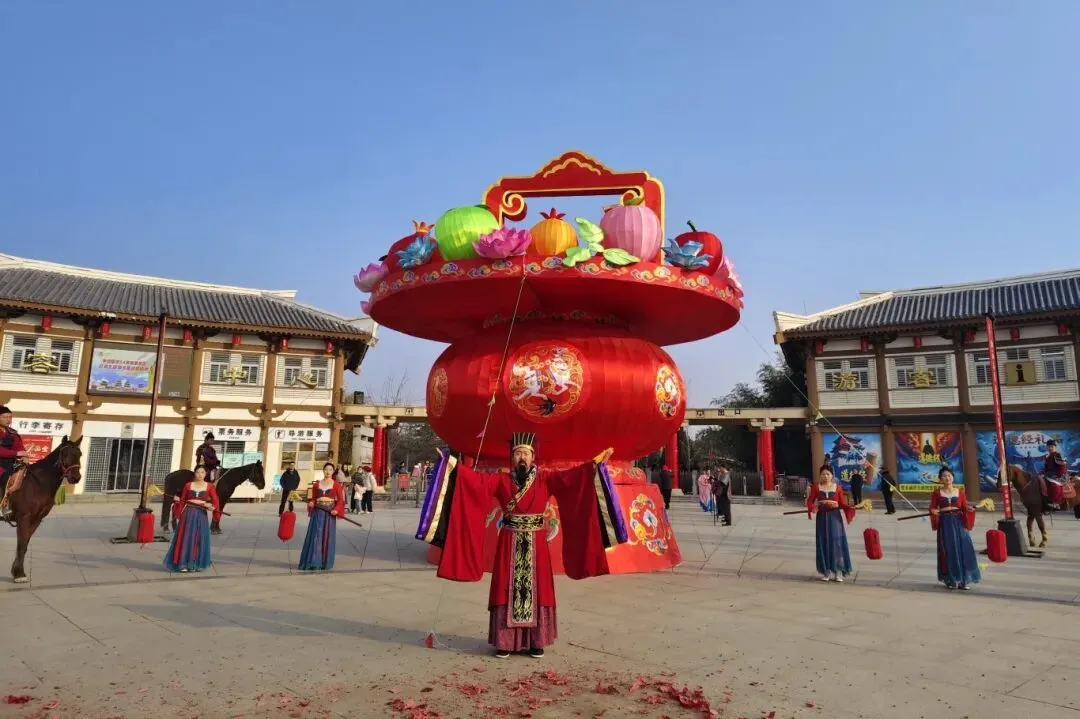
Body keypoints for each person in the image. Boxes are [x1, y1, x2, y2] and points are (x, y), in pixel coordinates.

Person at [416, 433, 623, 659]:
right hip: (509, 541)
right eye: (517, 454)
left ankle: (536, 641)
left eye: (526, 453)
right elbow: (475, 482)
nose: (522, 457)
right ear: (512, 458)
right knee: (506, 588)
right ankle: (504, 642)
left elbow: (571, 478)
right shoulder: (501, 480)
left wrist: (593, 467)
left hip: (536, 543)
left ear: (533, 457)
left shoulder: (545, 479)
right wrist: (451, 465)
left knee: (538, 589)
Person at [929, 466, 980, 590]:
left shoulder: (960, 492)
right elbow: (932, 507)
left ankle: (964, 580)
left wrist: (969, 509)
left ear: (953, 477)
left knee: (964, 549)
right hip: (945, 524)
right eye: (944, 476)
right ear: (940, 479)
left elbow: (964, 506)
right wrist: (934, 511)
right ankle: (951, 580)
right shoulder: (937, 493)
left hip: (959, 523)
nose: (947, 478)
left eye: (949, 475)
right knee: (948, 550)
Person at [164, 465, 219, 573]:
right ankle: (183, 564)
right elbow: (183, 500)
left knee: (199, 538)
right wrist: (177, 500)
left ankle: (197, 563)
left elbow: (215, 500)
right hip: (188, 514)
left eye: (202, 472)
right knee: (186, 537)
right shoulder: (188, 485)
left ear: (205, 474)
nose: (200, 475)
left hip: (201, 515)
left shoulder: (209, 486)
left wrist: (212, 506)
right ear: (194, 473)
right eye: (198, 472)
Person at [807, 464, 854, 582]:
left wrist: (850, 508)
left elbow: (842, 504)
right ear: (820, 475)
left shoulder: (837, 488)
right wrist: (813, 507)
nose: (825, 476)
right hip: (822, 518)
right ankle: (826, 571)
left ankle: (838, 571)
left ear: (832, 475)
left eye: (828, 474)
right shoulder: (816, 487)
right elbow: (810, 501)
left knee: (836, 543)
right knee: (823, 542)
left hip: (835, 518)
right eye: (823, 474)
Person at [299, 462, 346, 571]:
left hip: (329, 513)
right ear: (323, 471)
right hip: (318, 512)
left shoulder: (336, 485)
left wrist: (336, 509)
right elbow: (314, 498)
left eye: (330, 469)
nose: (328, 471)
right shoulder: (317, 485)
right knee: (316, 535)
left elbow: (340, 500)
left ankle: (324, 562)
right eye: (326, 469)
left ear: (333, 471)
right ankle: (313, 561)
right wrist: (312, 502)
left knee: (326, 536)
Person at [0, 406, 27, 522]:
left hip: (11, 463)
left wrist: (24, 456)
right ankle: (2, 508)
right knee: (6, 477)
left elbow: (19, 447)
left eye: (10, 417)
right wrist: (16, 453)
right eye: (5, 417)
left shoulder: (12, 433)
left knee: (26, 475)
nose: (8, 420)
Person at [1042, 439, 1068, 510]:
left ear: (1055, 447)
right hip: (1049, 475)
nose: (1050, 448)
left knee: (1054, 484)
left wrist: (1058, 475)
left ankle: (1056, 502)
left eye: (1052, 446)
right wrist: (1042, 473)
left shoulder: (1058, 455)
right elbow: (1046, 468)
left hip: (1060, 475)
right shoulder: (1047, 457)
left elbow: (1063, 468)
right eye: (1048, 446)